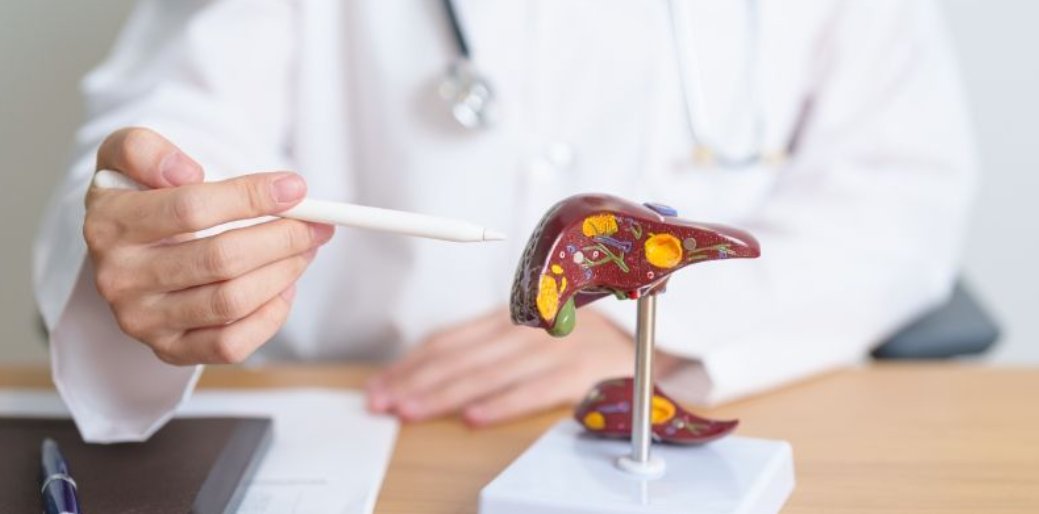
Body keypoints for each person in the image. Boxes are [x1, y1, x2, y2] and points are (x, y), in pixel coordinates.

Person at [34, 0, 976, 443]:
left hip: (692, 403)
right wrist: (166, 244)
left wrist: (646, 323)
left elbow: (902, 193)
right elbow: (166, 142)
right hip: (370, 420)